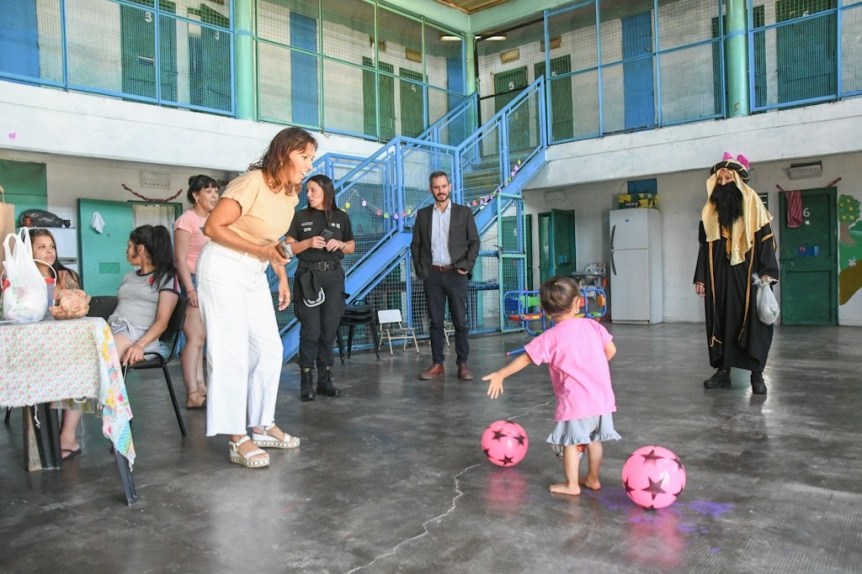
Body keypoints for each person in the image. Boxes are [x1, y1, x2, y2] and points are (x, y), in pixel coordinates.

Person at [198, 126, 316, 469]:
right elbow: (213, 228)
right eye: (304, 157)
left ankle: (261, 424)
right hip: (222, 266)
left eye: (311, 158)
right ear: (283, 153)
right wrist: (262, 252)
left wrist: (279, 274)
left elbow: (273, 240)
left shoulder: (290, 194)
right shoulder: (250, 183)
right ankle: (237, 436)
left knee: (269, 348)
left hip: (253, 271)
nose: (309, 165)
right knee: (230, 351)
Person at [483, 277, 620, 496]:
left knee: (571, 444)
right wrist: (593, 368)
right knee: (595, 440)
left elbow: (526, 359)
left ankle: (572, 484)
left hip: (576, 402)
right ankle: (593, 479)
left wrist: (500, 374)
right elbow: (611, 351)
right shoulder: (593, 326)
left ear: (545, 311)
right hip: (602, 397)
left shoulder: (549, 338)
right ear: (578, 303)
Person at [694, 153, 779, 395]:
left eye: (727, 179)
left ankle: (757, 375)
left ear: (738, 181)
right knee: (721, 319)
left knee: (752, 323)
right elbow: (704, 247)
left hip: (748, 276)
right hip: (719, 276)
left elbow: (767, 242)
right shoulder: (710, 211)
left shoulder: (755, 207)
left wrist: (767, 273)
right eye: (719, 180)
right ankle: (723, 371)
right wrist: (701, 278)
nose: (722, 184)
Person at [285, 174, 355, 402]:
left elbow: (351, 246)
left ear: (326, 191)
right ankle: (306, 379)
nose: (309, 194)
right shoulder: (299, 216)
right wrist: (307, 243)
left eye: (313, 190)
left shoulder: (341, 217)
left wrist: (341, 244)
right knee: (311, 329)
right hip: (308, 276)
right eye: (307, 191)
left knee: (329, 329)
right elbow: (287, 248)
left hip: (333, 276)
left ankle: (325, 379)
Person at [410, 170, 479, 381]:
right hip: (432, 275)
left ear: (449, 186)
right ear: (431, 189)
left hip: (456, 274)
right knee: (435, 322)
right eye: (436, 187)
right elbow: (416, 245)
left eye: (443, 186)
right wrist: (422, 270)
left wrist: (466, 266)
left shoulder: (463, 212)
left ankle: (463, 363)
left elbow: (474, 242)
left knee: (460, 320)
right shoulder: (422, 215)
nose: (441, 191)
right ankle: (437, 363)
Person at [29, 228, 83, 459]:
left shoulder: (65, 276)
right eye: (42, 247)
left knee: (75, 368)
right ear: (28, 251)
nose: (49, 251)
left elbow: (76, 309)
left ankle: (67, 437)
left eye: (51, 246)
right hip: (32, 343)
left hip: (62, 342)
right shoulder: (22, 278)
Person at [174, 175, 219, 410]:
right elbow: (180, 259)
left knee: (203, 337)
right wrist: (189, 289)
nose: (214, 196)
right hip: (192, 280)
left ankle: (201, 386)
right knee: (195, 337)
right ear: (196, 195)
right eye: (209, 191)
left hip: (209, 281)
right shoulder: (186, 220)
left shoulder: (214, 219)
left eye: (216, 191)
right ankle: (192, 393)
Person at [108, 225, 179, 367]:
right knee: (84, 351)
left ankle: (110, 390)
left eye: (129, 246)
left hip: (140, 334)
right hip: (115, 327)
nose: (126, 251)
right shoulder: (129, 276)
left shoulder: (166, 278)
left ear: (140, 249)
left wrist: (139, 345)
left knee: (104, 355)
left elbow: (162, 321)